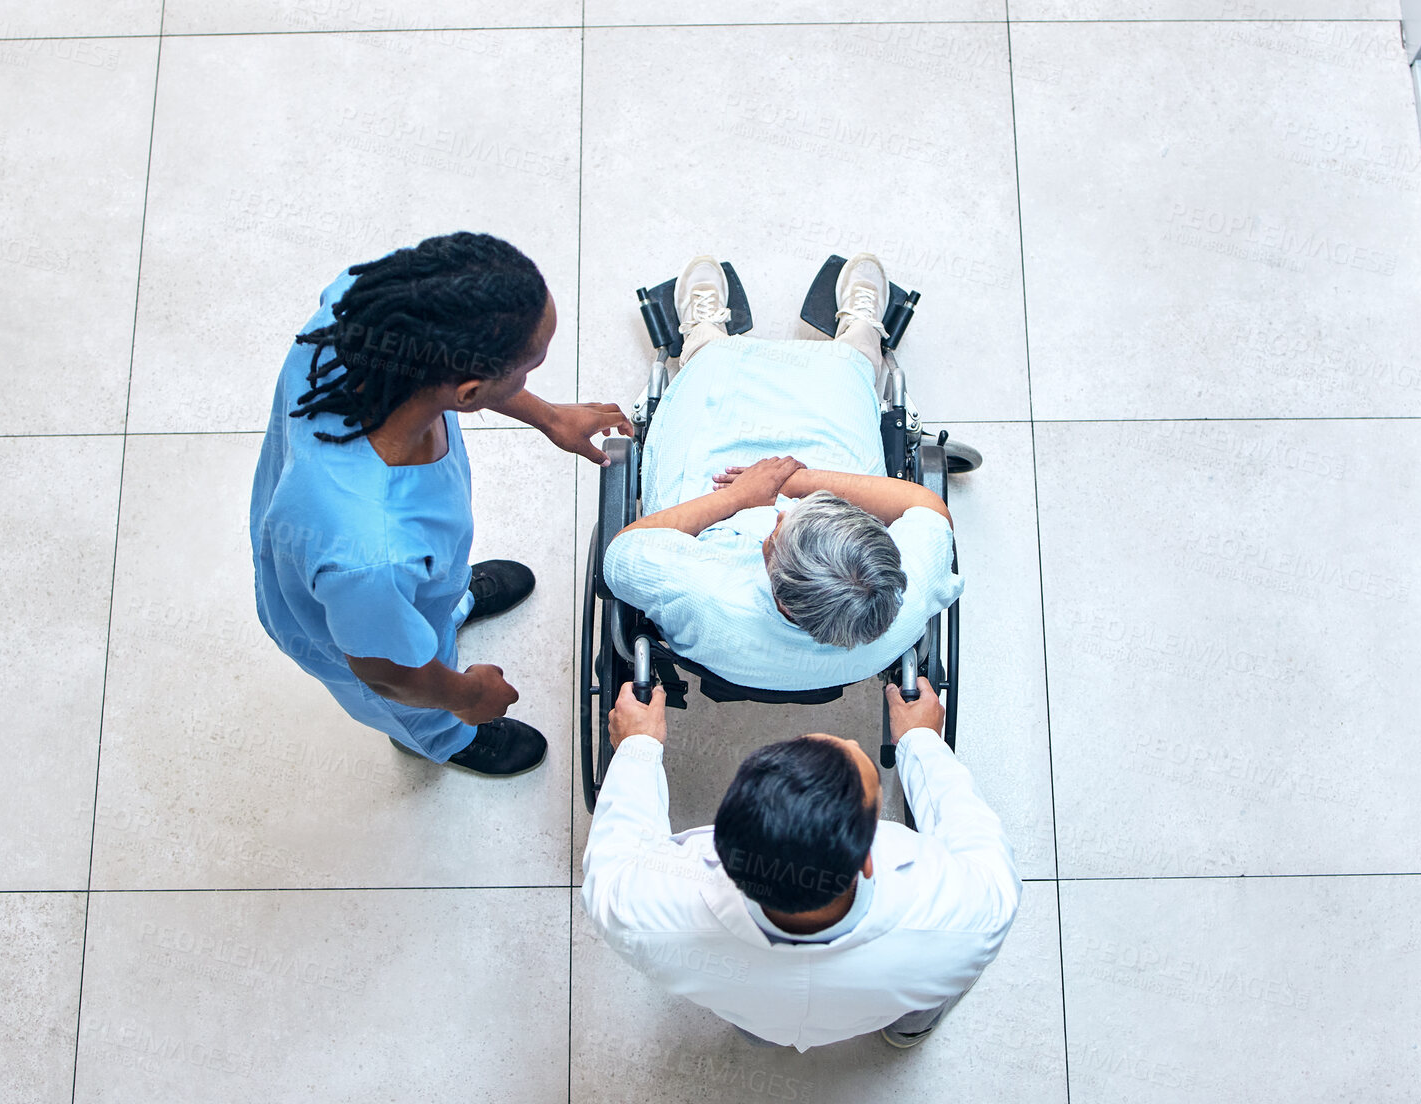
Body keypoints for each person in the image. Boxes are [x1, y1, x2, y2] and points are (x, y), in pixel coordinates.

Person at [250, 232, 631, 776]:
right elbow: (390, 673)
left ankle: (442, 607)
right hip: (375, 637)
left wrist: (549, 417)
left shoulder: (367, 318)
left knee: (423, 598)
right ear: (469, 393)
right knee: (414, 702)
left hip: (391, 584)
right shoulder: (371, 556)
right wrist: (467, 694)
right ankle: (444, 740)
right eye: (527, 370)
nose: (530, 381)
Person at [581, 677, 1021, 1051]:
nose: (851, 741)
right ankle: (910, 1028)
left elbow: (613, 857)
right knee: (927, 992)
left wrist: (637, 746)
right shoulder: (969, 916)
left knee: (761, 1024)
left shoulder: (640, 915)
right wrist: (922, 740)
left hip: (753, 1008)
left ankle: (766, 1036)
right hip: (896, 992)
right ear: (867, 861)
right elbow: (971, 830)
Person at [601, 252, 963, 692]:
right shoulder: (898, 600)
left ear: (772, 577)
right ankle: (859, 343)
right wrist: (799, 481)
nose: (780, 512)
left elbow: (622, 553)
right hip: (819, 460)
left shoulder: (702, 593)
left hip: (715, 497)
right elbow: (928, 507)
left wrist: (735, 498)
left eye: (780, 528)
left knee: (713, 377)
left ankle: (705, 342)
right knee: (842, 384)